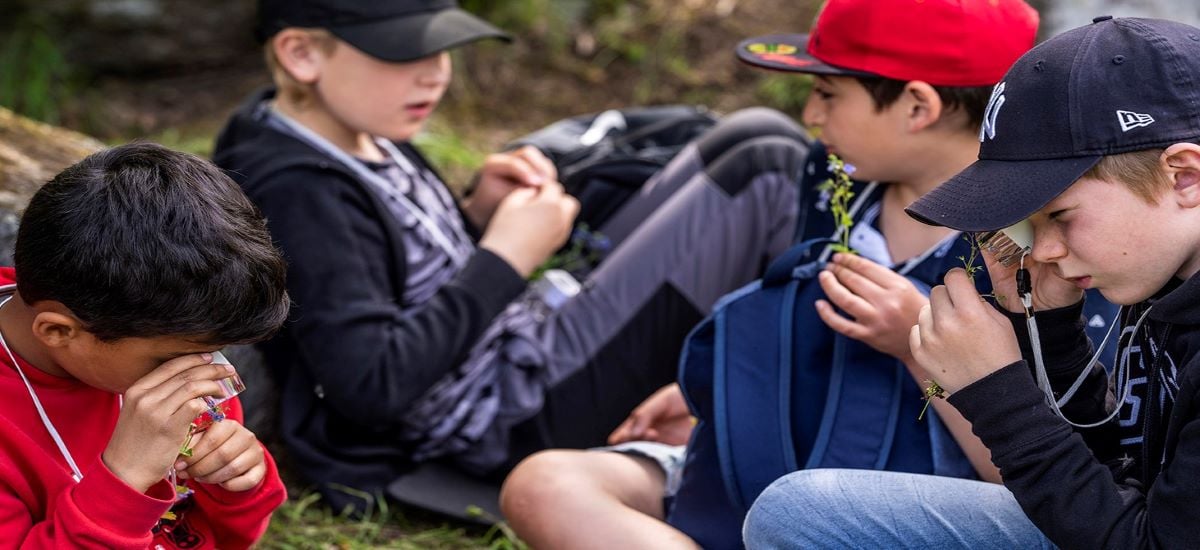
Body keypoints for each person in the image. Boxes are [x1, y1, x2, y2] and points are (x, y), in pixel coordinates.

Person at [212, 0, 811, 513]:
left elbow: (398, 271)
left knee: (756, 137)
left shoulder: (353, 131)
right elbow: (373, 385)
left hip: (523, 343)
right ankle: (819, 409)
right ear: (301, 54)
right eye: (404, 55)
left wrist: (475, 214)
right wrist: (504, 256)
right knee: (765, 172)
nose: (436, 76)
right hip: (510, 417)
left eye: (442, 51)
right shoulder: (300, 188)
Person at [499, 0, 1047, 547]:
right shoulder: (836, 181)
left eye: (828, 93)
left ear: (917, 105)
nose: (810, 115)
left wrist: (914, 344)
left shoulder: (1022, 253)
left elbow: (1029, 478)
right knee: (544, 485)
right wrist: (725, 393)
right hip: (750, 468)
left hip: (880, 513)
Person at [743, 15, 1200, 549]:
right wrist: (1052, 330)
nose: (1044, 249)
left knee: (799, 513)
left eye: (1061, 215)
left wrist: (997, 392)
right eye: (1033, 224)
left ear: (1184, 176)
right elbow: (1120, 476)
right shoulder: (1161, 273)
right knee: (800, 512)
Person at [0, 143, 290, 548]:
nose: (210, 374)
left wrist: (236, 485)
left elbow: (211, 537)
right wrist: (123, 478)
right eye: (174, 358)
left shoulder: (165, 344)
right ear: (58, 332)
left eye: (215, 350)